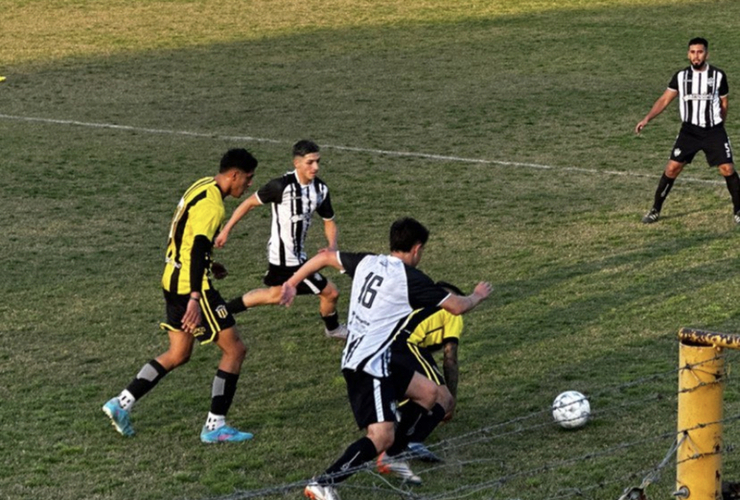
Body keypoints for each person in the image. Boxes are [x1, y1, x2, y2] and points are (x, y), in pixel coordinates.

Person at [280, 217, 492, 500]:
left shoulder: (367, 261)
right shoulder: (411, 279)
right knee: (381, 435)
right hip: (369, 365)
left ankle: (392, 456)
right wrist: (476, 296)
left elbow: (326, 257)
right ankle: (325, 482)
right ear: (417, 249)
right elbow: (456, 306)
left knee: (436, 395)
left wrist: (292, 283)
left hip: (380, 359)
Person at [102, 148, 258, 444]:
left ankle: (121, 403)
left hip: (170, 279)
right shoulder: (214, 206)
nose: (248, 185)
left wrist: (212, 263)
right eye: (248, 179)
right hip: (190, 287)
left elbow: (185, 236)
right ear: (234, 174)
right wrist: (196, 298)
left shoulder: (201, 185)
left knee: (179, 353)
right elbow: (198, 246)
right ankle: (215, 426)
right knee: (235, 350)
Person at [215, 140, 347, 339]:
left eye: (317, 161)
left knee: (274, 296)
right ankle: (333, 329)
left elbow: (329, 220)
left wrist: (332, 246)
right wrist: (225, 231)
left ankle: (220, 311)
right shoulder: (280, 186)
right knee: (331, 292)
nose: (316, 167)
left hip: (297, 255)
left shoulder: (320, 189)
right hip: (285, 258)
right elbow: (248, 203)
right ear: (297, 163)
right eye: (310, 162)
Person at [636, 37, 740, 224]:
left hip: (713, 130)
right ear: (688, 54)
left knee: (727, 168)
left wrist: (719, 126)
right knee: (672, 168)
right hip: (689, 131)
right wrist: (647, 118)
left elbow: (724, 103)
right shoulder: (681, 77)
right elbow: (664, 100)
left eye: (700, 52)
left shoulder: (718, 76)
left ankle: (738, 210)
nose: (696, 56)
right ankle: (655, 209)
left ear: (706, 54)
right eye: (692, 52)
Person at [390, 282, 466, 464]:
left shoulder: (420, 307)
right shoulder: (453, 313)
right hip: (406, 345)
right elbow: (450, 358)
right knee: (443, 398)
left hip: (385, 346)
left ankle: (399, 420)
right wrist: (451, 400)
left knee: (417, 393)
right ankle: (413, 441)